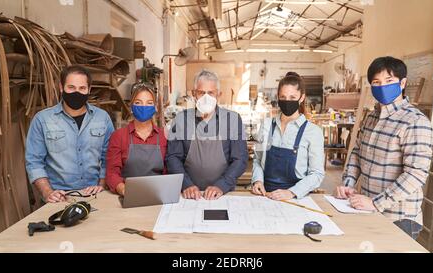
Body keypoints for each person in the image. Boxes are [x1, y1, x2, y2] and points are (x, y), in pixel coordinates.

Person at [335, 56, 433, 239]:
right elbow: (357, 152)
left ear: (402, 83)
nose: (382, 87)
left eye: (389, 81)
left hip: (399, 217)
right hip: (366, 209)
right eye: (376, 82)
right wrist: (348, 184)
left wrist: (376, 203)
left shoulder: (415, 121)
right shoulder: (371, 117)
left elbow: (416, 174)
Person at [25, 65, 114, 203]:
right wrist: (48, 192)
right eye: (71, 87)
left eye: (82, 88)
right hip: (59, 197)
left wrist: (101, 186)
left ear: (89, 90)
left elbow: (108, 157)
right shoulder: (42, 120)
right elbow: (34, 162)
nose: (76, 92)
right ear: (61, 87)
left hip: (94, 195)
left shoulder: (103, 118)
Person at [166, 69, 248, 200]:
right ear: (194, 94)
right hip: (189, 195)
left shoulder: (232, 119)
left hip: (222, 194)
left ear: (218, 95)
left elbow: (240, 159)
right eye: (201, 92)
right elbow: (173, 158)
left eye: (210, 93)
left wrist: (222, 185)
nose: (206, 97)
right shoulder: (181, 119)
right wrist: (186, 184)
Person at [251, 72, 325, 200]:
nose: (287, 101)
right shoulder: (266, 125)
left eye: (292, 97)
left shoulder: (313, 132)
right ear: (278, 97)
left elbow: (317, 174)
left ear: (301, 98)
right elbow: (257, 160)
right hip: (265, 195)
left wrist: (292, 192)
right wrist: (257, 181)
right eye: (283, 97)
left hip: (296, 198)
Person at [106, 83, 167, 196]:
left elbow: (169, 171)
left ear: (155, 107)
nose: (144, 107)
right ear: (131, 106)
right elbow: (112, 173)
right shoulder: (118, 136)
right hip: (128, 195)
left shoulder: (164, 136)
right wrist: (123, 189)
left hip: (158, 194)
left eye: (149, 103)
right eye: (138, 103)